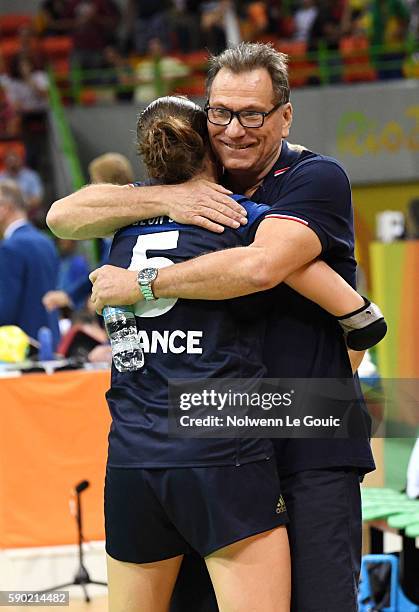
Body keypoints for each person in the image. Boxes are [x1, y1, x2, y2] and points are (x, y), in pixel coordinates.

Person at [48, 42, 378, 611]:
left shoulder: (315, 177)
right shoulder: (191, 183)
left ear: (285, 115)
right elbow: (63, 215)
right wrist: (168, 196)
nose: (236, 130)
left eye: (253, 114)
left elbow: (258, 266)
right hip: (210, 438)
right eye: (221, 113)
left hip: (305, 437)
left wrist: (143, 285)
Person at [0, 180, 60, 348]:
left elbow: (6, 308)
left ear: (4, 208)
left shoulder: (10, 247)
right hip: (51, 340)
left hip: (21, 348)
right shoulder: (46, 241)